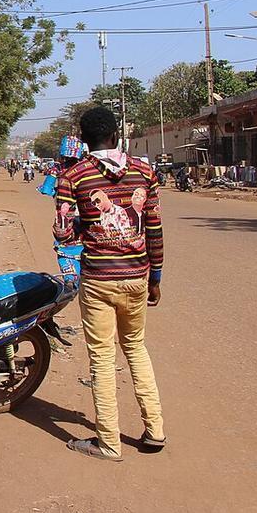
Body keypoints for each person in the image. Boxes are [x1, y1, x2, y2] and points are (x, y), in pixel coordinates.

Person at [54, 106, 165, 462]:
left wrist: (86, 226)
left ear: (83, 140)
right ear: (115, 135)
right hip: (137, 275)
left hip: (99, 279)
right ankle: (155, 430)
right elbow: (154, 228)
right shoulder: (145, 171)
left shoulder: (75, 176)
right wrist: (156, 277)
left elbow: (62, 231)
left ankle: (109, 443)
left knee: (102, 358)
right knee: (136, 349)